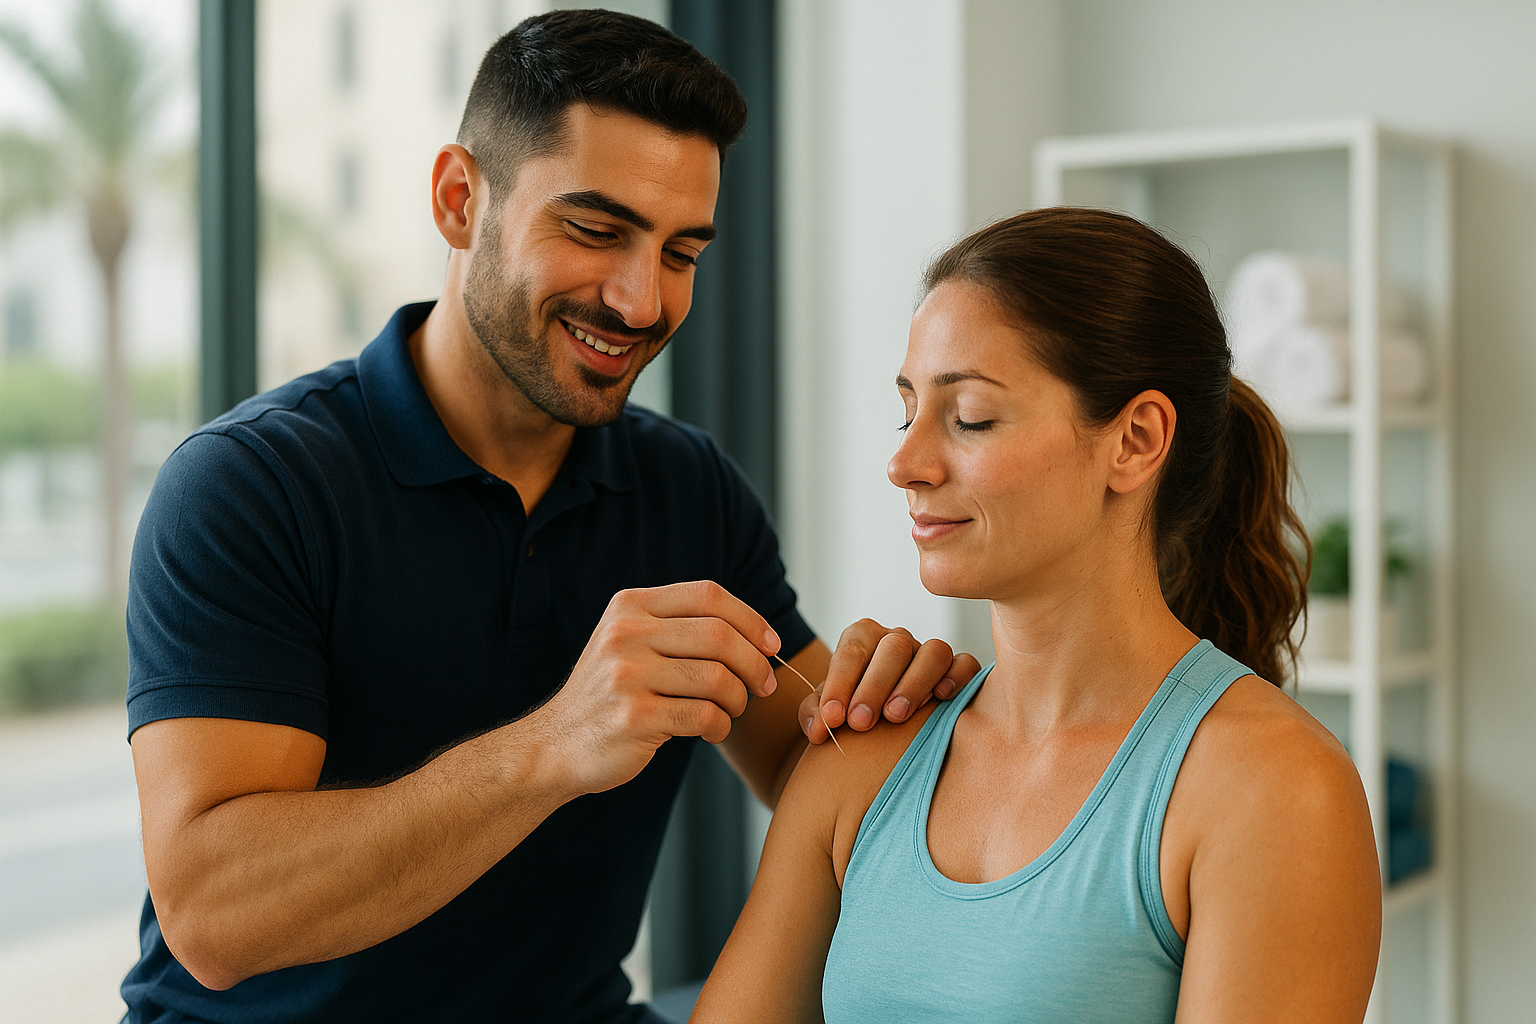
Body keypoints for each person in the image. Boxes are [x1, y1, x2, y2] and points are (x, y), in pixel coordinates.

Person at [121, 12, 975, 1024]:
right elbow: (215, 917)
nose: (640, 298)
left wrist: (904, 714)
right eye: (595, 229)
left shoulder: (686, 489)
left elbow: (815, 767)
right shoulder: (251, 486)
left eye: (680, 251)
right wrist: (554, 744)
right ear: (458, 200)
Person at [694, 208, 1383, 1023]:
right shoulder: (864, 750)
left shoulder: (1271, 789)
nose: (905, 463)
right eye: (907, 409)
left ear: (1134, 440)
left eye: (971, 417)